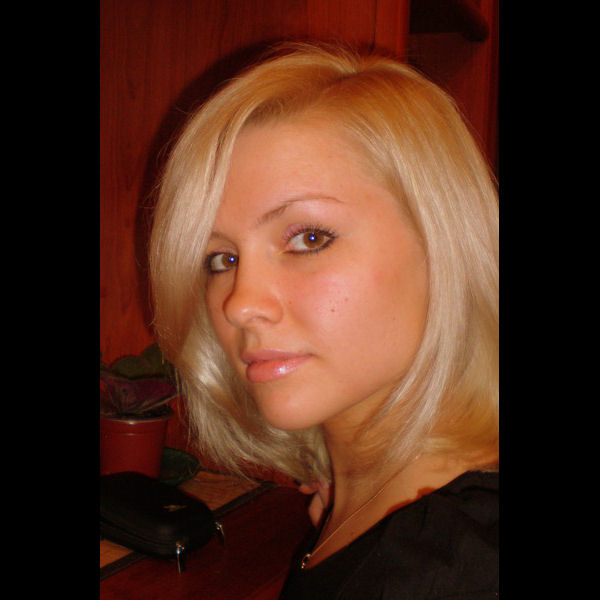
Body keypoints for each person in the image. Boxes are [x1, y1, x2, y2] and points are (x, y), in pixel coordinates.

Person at [149, 42, 498, 599]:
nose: (240, 304)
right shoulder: (371, 513)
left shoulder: (455, 567)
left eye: (310, 238)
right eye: (221, 259)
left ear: (442, 248)